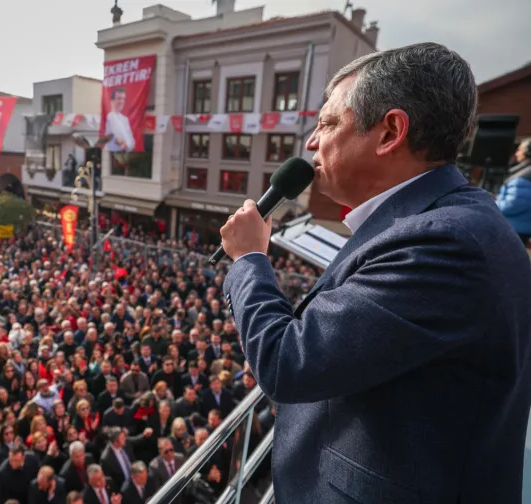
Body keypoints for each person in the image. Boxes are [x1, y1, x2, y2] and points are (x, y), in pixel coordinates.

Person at [219, 42, 531, 503]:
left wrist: (249, 260)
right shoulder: (441, 222)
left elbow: (289, 361)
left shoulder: (444, 243)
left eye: (326, 123)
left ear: (390, 132)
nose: (310, 142)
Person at [495, 138, 531, 242]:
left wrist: (493, 203)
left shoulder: (524, 177)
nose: (516, 153)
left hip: (515, 230)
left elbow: (512, 205)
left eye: (520, 150)